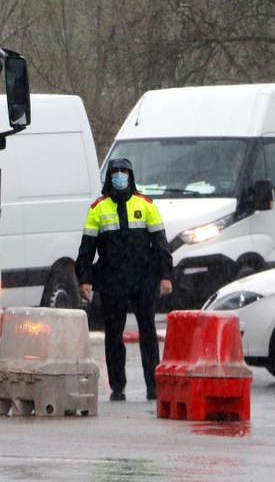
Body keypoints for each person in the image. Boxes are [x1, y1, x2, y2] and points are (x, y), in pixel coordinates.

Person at [75, 158, 173, 401]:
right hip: (112, 280)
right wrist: (85, 279)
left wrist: (165, 275)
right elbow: (87, 248)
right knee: (113, 334)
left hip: (143, 278)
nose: (120, 176)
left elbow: (161, 244)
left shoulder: (146, 205)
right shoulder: (98, 208)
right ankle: (117, 387)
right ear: (109, 176)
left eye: (124, 172)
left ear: (131, 176)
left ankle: (154, 385)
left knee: (148, 332)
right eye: (116, 172)